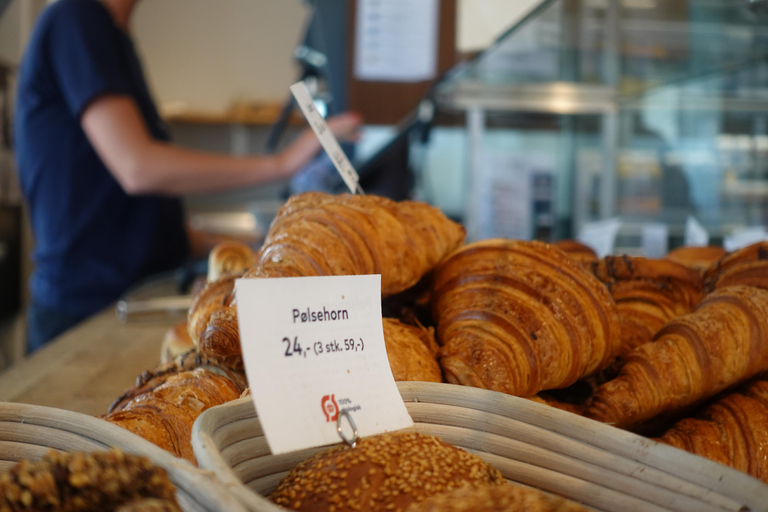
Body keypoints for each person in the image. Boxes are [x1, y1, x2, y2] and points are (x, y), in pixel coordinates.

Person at [14, 0, 362, 353]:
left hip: (129, 297)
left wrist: (263, 246)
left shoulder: (113, 34)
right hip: (85, 315)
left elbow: (132, 223)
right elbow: (137, 168)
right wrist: (282, 164)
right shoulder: (75, 19)